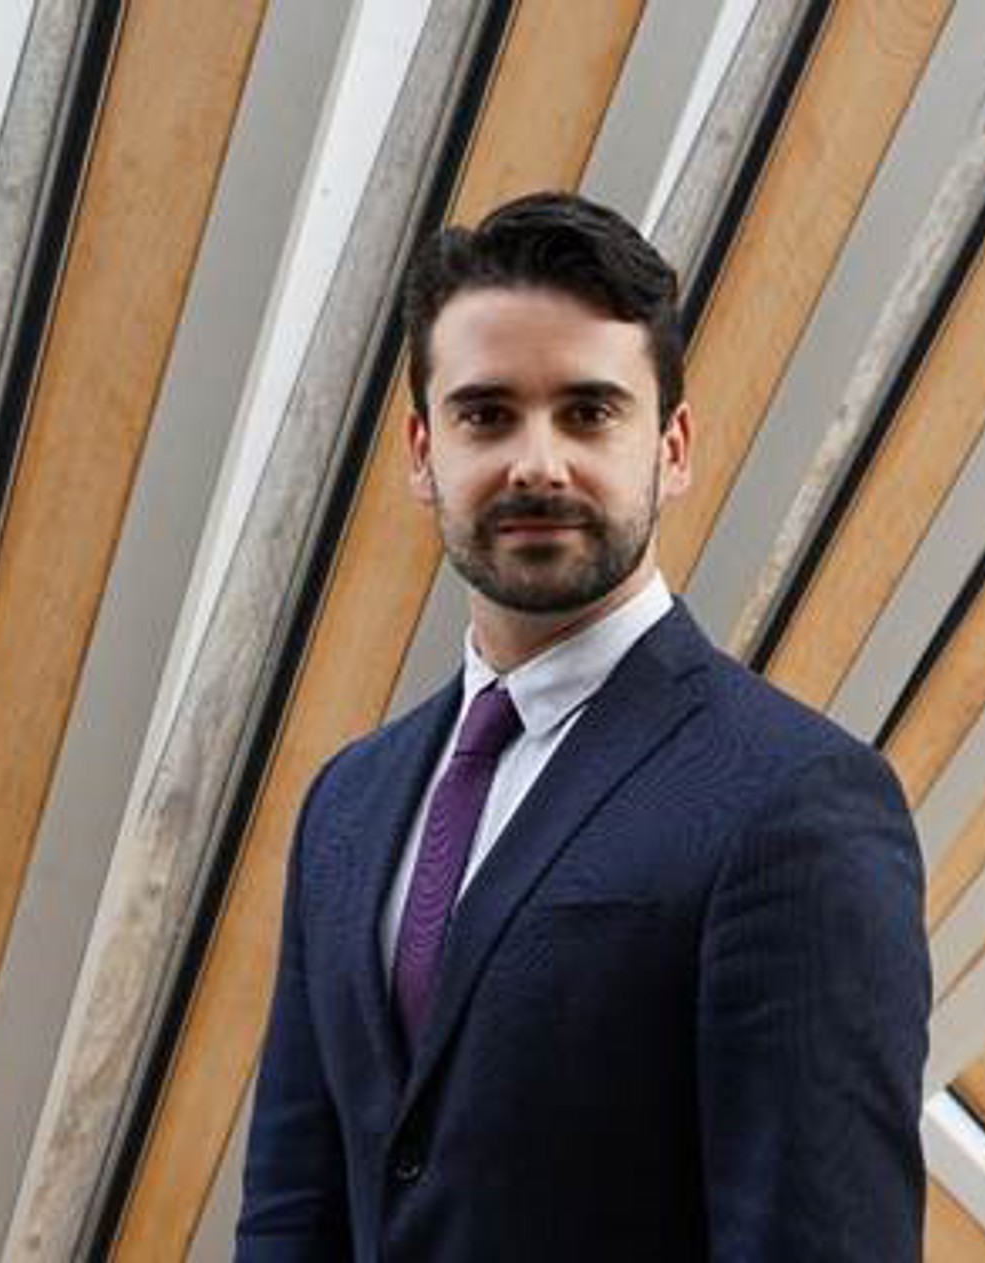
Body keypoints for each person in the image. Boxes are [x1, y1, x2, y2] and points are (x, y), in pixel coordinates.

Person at [237, 191, 930, 1261]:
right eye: (486, 414)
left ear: (674, 448)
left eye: (590, 412)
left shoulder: (793, 803)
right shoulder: (350, 801)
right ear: (424, 454)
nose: (538, 464)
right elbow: (293, 1210)